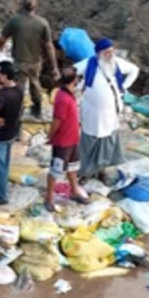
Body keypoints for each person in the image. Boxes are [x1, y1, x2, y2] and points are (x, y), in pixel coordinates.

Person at [74, 38, 139, 178]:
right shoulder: (89, 63)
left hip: (110, 113)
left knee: (107, 141)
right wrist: (77, 86)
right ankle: (86, 171)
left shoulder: (117, 63)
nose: (110, 54)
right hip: (92, 113)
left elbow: (134, 70)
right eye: (106, 52)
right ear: (99, 53)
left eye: (111, 51)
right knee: (89, 141)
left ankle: (101, 168)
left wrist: (124, 87)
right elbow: (72, 70)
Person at [0, 0, 58, 119]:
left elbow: (3, 38)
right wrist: (54, 67)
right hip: (35, 61)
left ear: (22, 4)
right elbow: (49, 45)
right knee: (35, 84)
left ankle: (17, 111)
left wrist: (0, 48)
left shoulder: (15, 21)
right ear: (36, 6)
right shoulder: (42, 23)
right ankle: (37, 109)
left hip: (19, 61)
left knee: (19, 87)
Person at [45, 68, 89, 211]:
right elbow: (57, 120)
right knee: (56, 170)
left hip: (72, 139)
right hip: (63, 141)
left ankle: (74, 190)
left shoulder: (68, 94)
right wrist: (50, 135)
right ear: (74, 80)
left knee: (73, 167)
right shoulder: (63, 98)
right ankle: (50, 197)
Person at [0, 61, 23, 205]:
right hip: (10, 133)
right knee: (4, 163)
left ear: (5, 76)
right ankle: (1, 188)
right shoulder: (18, 89)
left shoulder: (3, 96)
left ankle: (1, 196)